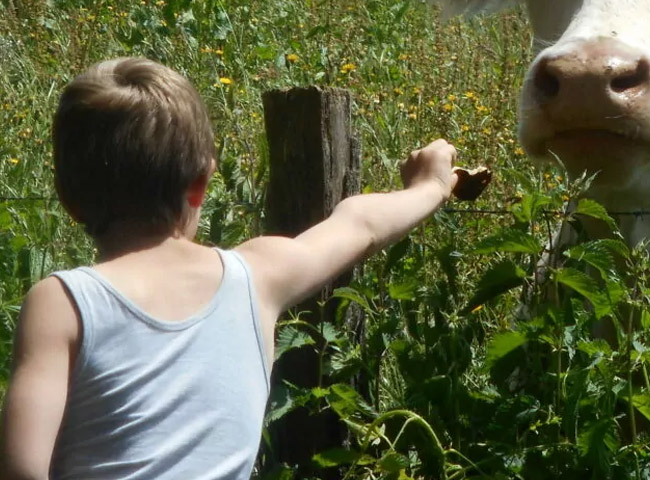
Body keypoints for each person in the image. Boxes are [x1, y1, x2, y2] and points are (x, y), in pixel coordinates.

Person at [0, 57, 458, 480]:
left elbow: (21, 468)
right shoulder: (257, 278)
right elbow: (361, 225)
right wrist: (432, 187)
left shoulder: (62, 304)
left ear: (67, 197)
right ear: (201, 183)